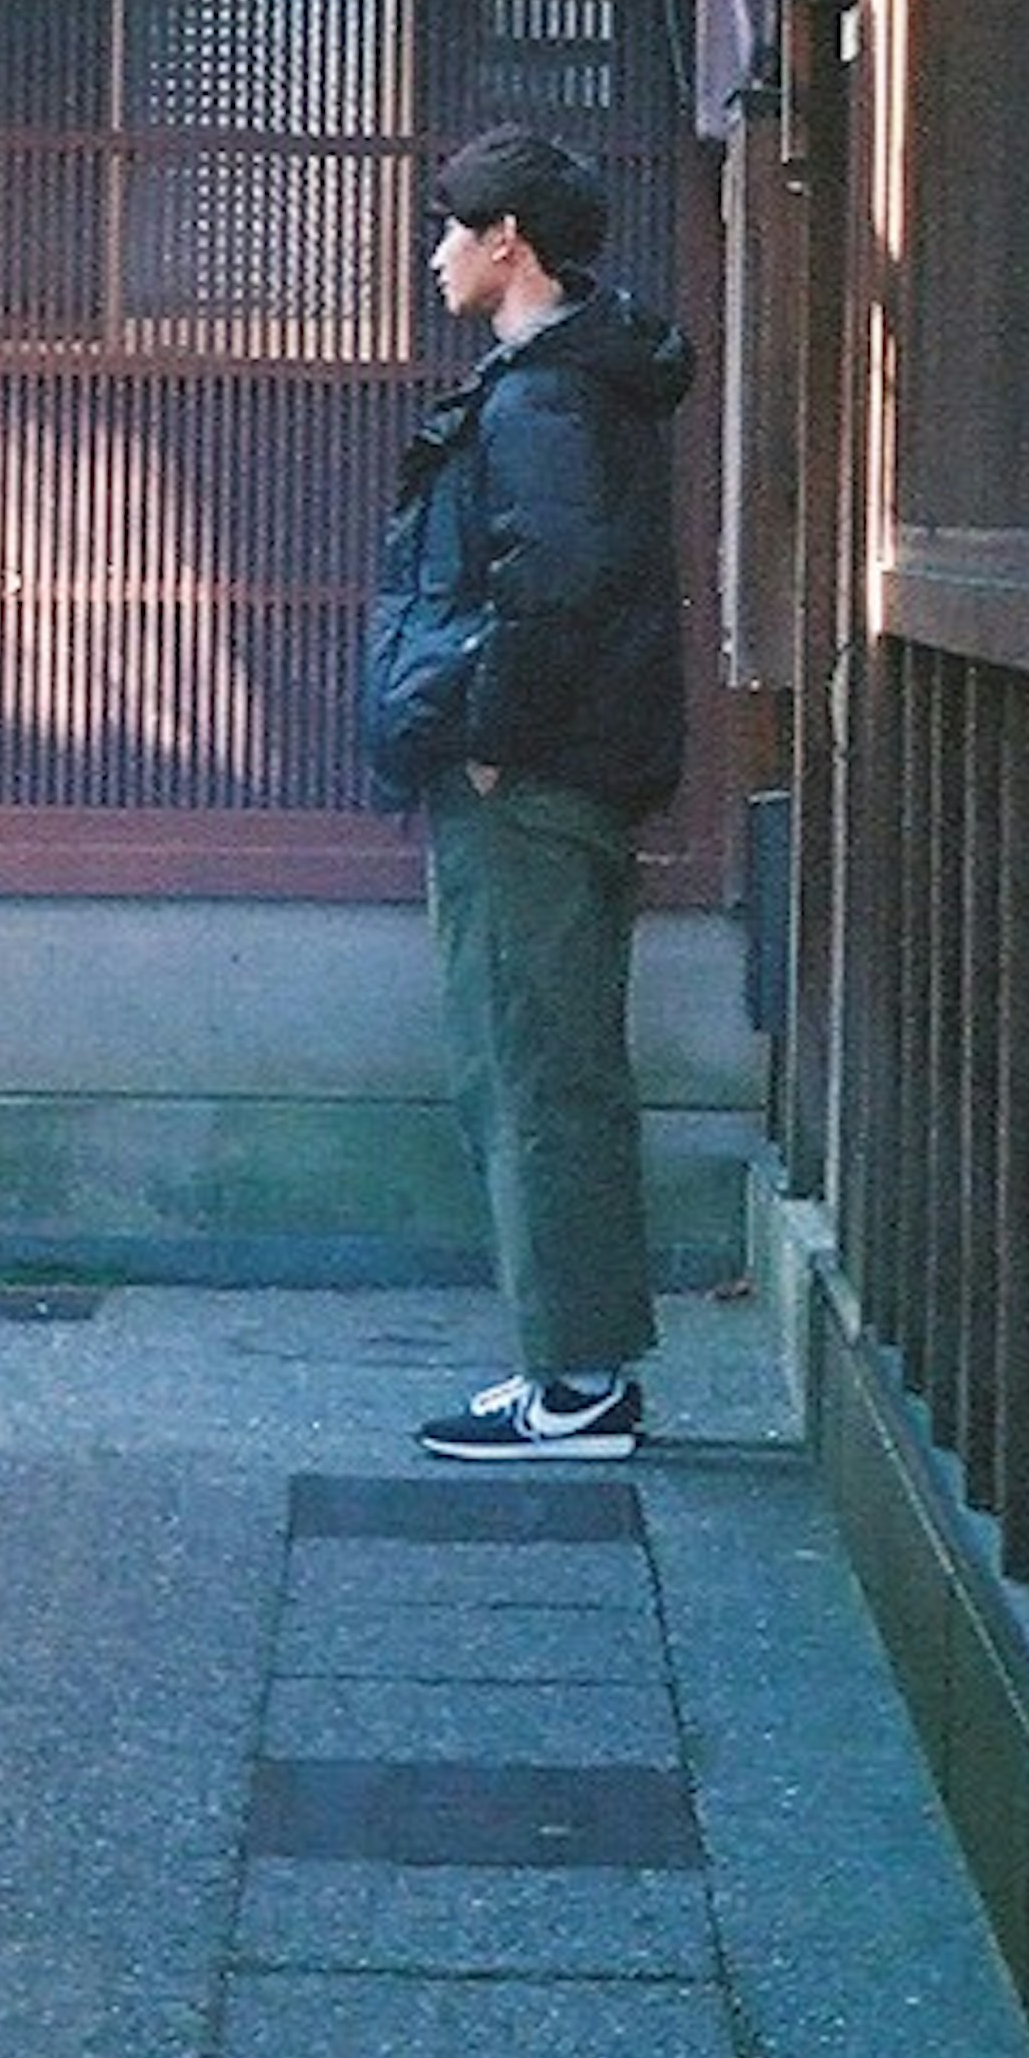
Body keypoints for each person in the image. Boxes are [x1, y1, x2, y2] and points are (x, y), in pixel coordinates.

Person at [360, 125, 693, 1460]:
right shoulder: (565, 385)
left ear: (507, 245)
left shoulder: (541, 399)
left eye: (451, 229)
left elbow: (551, 585)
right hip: (562, 785)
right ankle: (578, 1369)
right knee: (548, 1066)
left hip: (530, 792)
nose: (435, 253)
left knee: (531, 1073)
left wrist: (491, 739)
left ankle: (578, 1384)